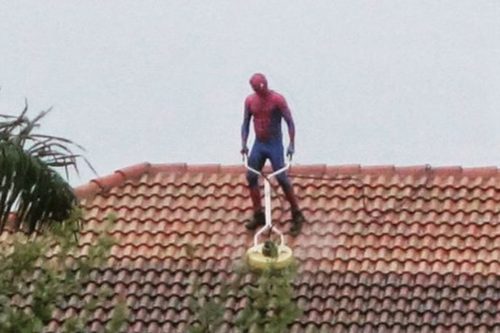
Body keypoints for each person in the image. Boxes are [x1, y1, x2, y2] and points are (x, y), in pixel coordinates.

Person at [240, 73, 305, 236]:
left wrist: (291, 144)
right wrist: (244, 144)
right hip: (259, 144)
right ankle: (258, 213)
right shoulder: (250, 101)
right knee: (251, 176)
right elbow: (246, 123)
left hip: (274, 144)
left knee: (282, 177)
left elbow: (289, 121)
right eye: (257, 89)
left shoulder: (277, 100)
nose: (261, 92)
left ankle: (296, 213)